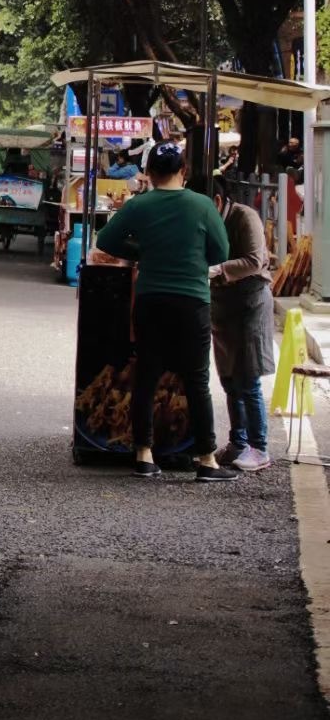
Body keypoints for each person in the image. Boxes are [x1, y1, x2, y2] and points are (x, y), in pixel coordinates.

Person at [95, 140, 237, 482]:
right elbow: (221, 252)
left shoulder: (139, 205)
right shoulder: (202, 205)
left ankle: (143, 455)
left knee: (146, 376)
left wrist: (142, 249)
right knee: (197, 380)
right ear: (183, 171)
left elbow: (106, 241)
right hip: (192, 301)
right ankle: (206, 459)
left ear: (150, 173)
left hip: (150, 299)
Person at [210, 181, 275, 472]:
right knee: (229, 378)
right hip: (223, 303)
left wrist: (219, 269)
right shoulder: (209, 220)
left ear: (218, 199)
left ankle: (259, 447)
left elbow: (254, 260)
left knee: (248, 377)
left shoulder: (244, 216)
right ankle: (238, 442)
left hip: (251, 301)